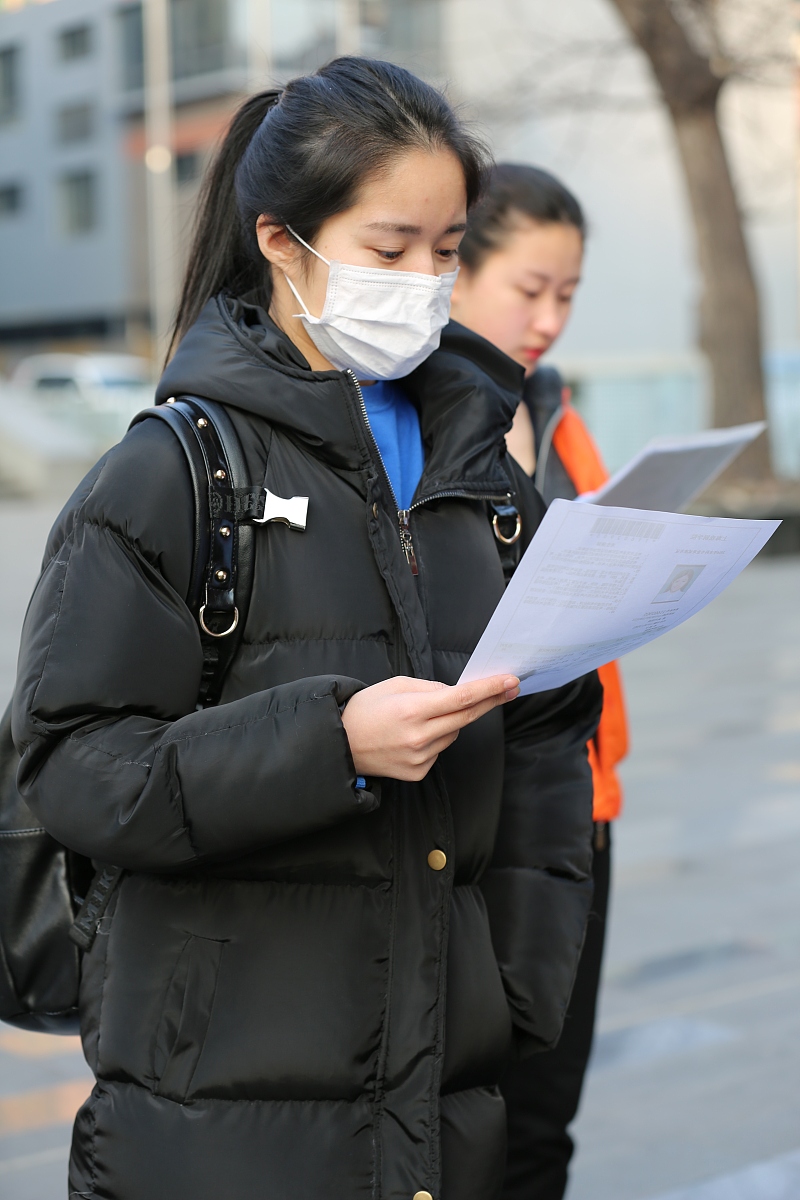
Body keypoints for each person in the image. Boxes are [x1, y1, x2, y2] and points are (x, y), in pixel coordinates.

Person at [12, 64, 602, 1200]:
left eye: (446, 248)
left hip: (442, 1095)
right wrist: (329, 743)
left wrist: (516, 986)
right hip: (216, 1124)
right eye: (389, 251)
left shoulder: (480, 466)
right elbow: (76, 771)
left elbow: (536, 739)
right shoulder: (167, 475)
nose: (426, 283)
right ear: (282, 241)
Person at [451, 162, 630, 1200]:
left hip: (583, 798)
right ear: (458, 269)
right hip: (483, 813)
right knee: (478, 1119)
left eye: (566, 294)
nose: (549, 319)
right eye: (530, 289)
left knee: (545, 1119)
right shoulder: (415, 420)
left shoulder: (556, 414)